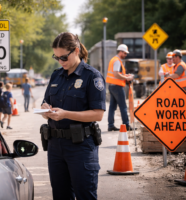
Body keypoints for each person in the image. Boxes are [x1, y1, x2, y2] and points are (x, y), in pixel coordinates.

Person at [41, 32, 105, 200]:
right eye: (57, 58)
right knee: (61, 196)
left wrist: (65, 114)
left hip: (81, 146)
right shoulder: (56, 75)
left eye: (64, 57)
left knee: (85, 195)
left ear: (76, 51)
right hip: (55, 146)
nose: (61, 61)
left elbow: (98, 114)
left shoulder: (92, 76)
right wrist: (45, 109)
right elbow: (45, 102)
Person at [106, 44, 134, 131]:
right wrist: (127, 78)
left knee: (112, 107)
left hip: (112, 86)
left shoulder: (114, 60)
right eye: (125, 53)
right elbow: (116, 74)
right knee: (123, 106)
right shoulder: (117, 61)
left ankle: (110, 125)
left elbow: (117, 73)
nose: (125, 55)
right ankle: (126, 125)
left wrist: (125, 75)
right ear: (120, 52)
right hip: (117, 86)